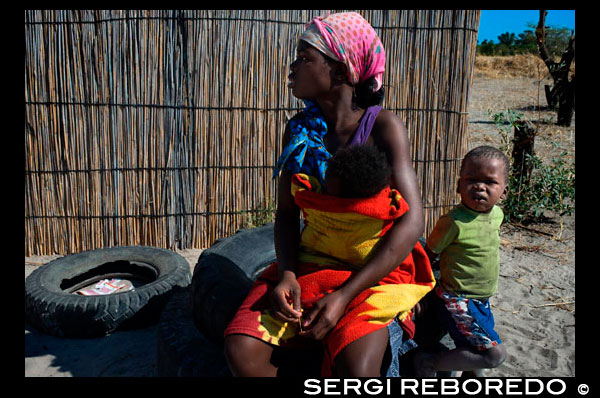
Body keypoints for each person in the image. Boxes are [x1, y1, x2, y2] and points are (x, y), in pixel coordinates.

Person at [224, 11, 433, 377]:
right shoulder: (300, 131)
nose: (292, 67)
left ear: (339, 72)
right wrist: (287, 275)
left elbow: (413, 219)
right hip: (311, 265)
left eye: (305, 58)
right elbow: (287, 214)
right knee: (242, 350)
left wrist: (344, 296)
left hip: (372, 274)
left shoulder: (382, 128)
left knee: (358, 369)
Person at [414, 145, 509, 377]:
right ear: (458, 186)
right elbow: (427, 256)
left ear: (504, 191)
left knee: (473, 345)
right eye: (471, 179)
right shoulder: (453, 222)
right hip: (457, 299)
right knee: (494, 355)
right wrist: (418, 291)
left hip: (482, 300)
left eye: (490, 182)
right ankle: (428, 363)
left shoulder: (497, 215)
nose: (479, 187)